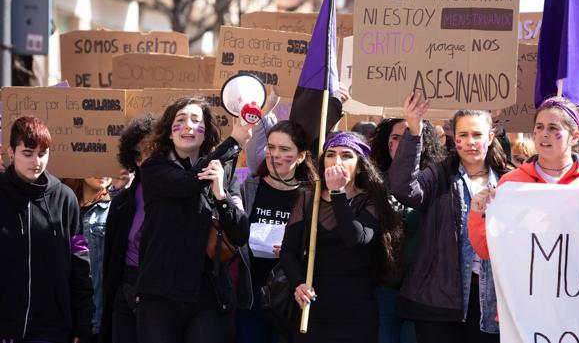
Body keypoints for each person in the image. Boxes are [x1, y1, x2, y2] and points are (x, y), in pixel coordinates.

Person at [389, 91, 513, 343]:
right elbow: (403, 188)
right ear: (453, 138)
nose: (470, 142)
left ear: (490, 137)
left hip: (492, 301)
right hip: (440, 301)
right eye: (463, 135)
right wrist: (413, 129)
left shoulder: (509, 180)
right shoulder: (439, 176)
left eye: (477, 135)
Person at [136, 97, 251, 343]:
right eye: (181, 120)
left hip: (207, 295)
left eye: (196, 121)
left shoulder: (222, 173)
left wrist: (221, 196)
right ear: (169, 132)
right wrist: (235, 142)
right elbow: (187, 183)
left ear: (206, 132)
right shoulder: (153, 168)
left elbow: (241, 234)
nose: (189, 126)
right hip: (160, 294)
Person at [280, 131, 402, 343]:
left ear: (361, 165)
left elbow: (355, 239)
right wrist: (298, 283)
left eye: (346, 155)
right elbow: (288, 250)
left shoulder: (371, 200)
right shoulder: (308, 198)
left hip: (355, 308)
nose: (336, 161)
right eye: (330, 154)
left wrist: (338, 194)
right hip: (313, 304)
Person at [468, 96, 579, 258]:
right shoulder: (512, 183)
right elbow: (486, 250)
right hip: (528, 282)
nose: (544, 134)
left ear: (574, 137)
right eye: (539, 127)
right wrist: (477, 213)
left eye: (553, 128)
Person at [0, 115, 94, 343]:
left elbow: (80, 263)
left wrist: (83, 324)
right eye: (28, 153)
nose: (36, 162)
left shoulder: (65, 199)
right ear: (11, 151)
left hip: (51, 328)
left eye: (42, 154)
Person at [236, 120, 318, 343]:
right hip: (252, 291)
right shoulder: (250, 186)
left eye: (284, 149)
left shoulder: (311, 196)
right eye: (271, 148)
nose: (275, 155)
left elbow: (320, 242)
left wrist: (294, 251)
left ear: (300, 156)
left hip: (290, 293)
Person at [369, 118, 445, 343]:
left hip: (422, 291)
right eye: (395, 137)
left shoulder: (436, 184)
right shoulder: (371, 183)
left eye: (410, 136)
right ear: (386, 143)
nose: (402, 143)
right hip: (383, 289)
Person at [100, 113, 156, 343]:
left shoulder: (179, 195)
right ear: (136, 159)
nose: (153, 158)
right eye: (145, 152)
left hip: (161, 298)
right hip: (126, 292)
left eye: (158, 149)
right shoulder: (123, 203)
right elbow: (112, 256)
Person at [63, 176, 113, 343]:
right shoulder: (61, 205)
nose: (102, 172)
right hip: (63, 313)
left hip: (98, 314)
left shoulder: (115, 209)